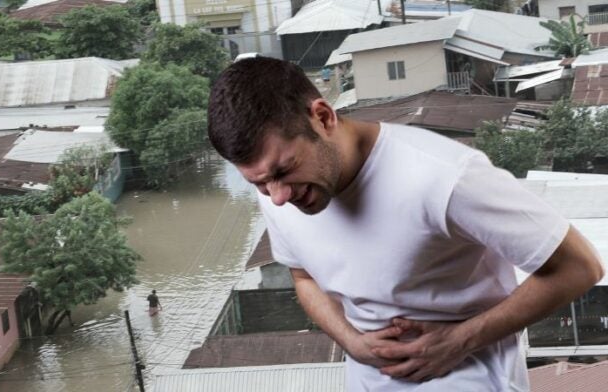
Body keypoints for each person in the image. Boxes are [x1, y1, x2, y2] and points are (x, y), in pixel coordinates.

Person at [206, 57, 604, 391]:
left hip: (468, 377)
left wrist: (459, 340)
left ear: (323, 117)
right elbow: (303, 276)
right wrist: (353, 342)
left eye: (284, 170)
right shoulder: (280, 193)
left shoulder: (443, 176)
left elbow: (580, 266)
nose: (277, 196)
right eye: (258, 183)